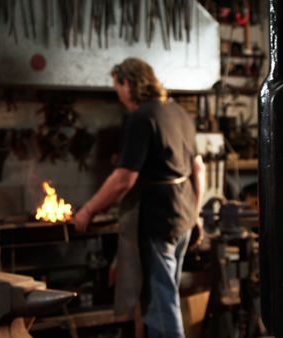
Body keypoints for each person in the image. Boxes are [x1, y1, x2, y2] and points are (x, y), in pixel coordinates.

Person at [73, 57, 206, 338]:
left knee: (161, 301)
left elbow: (124, 179)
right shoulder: (178, 112)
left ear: (128, 83)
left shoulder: (142, 117)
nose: (118, 94)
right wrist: (196, 214)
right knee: (161, 296)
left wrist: (88, 210)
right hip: (183, 217)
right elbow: (198, 169)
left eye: (118, 86)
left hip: (159, 219)